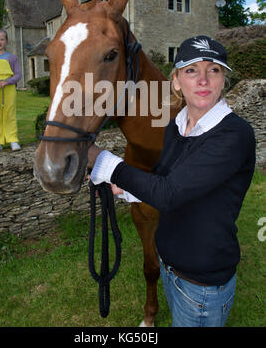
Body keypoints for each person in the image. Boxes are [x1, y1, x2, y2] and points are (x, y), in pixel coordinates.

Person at [87, 35, 256, 327]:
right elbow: (166, 181)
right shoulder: (177, 127)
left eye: (213, 70)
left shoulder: (234, 135)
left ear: (222, 80)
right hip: (171, 269)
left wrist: (103, 161)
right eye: (191, 70)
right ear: (176, 81)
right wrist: (127, 190)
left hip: (201, 286)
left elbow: (169, 193)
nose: (203, 79)